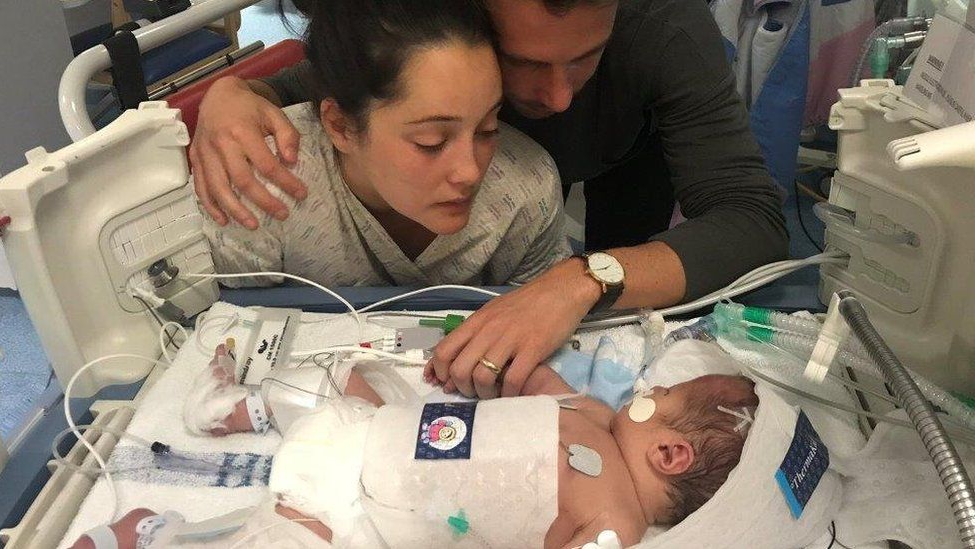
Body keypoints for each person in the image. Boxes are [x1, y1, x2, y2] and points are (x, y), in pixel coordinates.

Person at [189, 0, 788, 397]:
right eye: (524, 62)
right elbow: (351, 79)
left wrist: (580, 280)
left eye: (585, 59)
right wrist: (234, 91)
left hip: (625, 164)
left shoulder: (664, 35)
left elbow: (751, 219)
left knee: (610, 316)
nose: (558, 98)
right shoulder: (426, 43)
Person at [70, 344, 759, 548]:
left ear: (671, 453)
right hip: (385, 434)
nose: (648, 385)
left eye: (661, 395)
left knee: (291, 538)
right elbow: (536, 377)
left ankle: (155, 533)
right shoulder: (600, 414)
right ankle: (232, 405)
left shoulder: (615, 525)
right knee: (354, 384)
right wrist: (487, 362)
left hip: (368, 510)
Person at [202, 0, 570, 289]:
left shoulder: (525, 193)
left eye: (488, 128)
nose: (470, 171)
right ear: (341, 126)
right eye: (431, 142)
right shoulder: (259, 187)